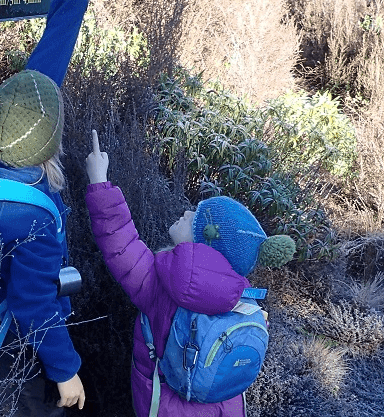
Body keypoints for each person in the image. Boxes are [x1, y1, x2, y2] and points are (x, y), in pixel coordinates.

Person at [83, 129, 295, 417]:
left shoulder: (158, 285)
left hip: (165, 407)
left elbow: (119, 241)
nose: (186, 213)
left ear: (203, 243)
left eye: (195, 217)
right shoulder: (242, 295)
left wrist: (99, 180)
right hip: (226, 409)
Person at [0, 0, 91, 415]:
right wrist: (66, 371)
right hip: (11, 348)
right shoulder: (34, 216)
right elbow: (34, 302)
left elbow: (41, 81)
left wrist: (70, 4)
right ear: (48, 141)